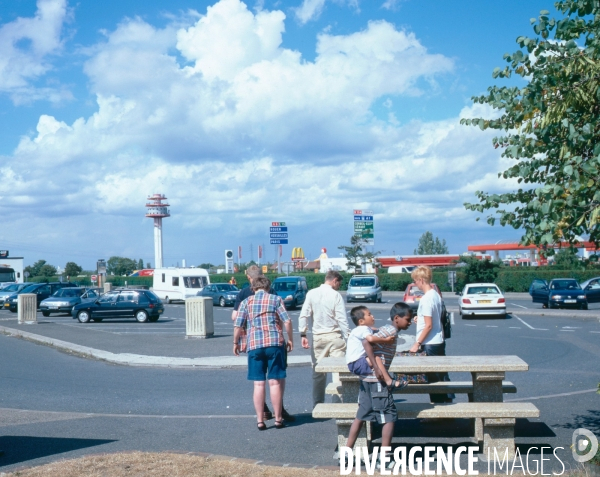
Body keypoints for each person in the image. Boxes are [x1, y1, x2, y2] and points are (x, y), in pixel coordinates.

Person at [343, 303, 414, 469]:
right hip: (376, 380)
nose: (410, 322)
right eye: (407, 319)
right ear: (397, 319)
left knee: (361, 415)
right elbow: (368, 345)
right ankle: (384, 458)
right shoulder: (389, 331)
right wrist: (379, 370)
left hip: (368, 378)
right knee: (389, 416)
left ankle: (346, 453)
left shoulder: (383, 330)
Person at [232, 265, 295, 422]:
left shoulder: (246, 300)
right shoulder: (275, 298)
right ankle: (279, 417)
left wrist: (236, 342)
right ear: (267, 286)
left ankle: (260, 420)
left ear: (251, 284)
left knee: (258, 384)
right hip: (275, 342)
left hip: (254, 344)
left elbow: (237, 323)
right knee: (275, 382)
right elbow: (287, 321)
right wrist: (290, 339)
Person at [299, 270, 351, 407]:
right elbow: (342, 319)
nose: (339, 286)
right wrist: (348, 336)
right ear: (335, 281)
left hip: (318, 337)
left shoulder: (311, 293)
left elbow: (304, 315)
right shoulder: (336, 295)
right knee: (338, 372)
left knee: (318, 373)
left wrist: (303, 333)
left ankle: (318, 403)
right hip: (335, 337)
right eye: (339, 283)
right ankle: (337, 403)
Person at [408, 266, 454, 403]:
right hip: (438, 340)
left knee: (433, 377)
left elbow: (429, 325)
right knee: (441, 374)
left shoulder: (426, 299)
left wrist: (417, 343)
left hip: (430, 342)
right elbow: (433, 319)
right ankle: (446, 403)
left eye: (415, 281)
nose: (415, 284)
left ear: (421, 280)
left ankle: (439, 408)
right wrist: (419, 318)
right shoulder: (435, 295)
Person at [345, 306, 402, 389]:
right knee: (377, 359)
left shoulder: (361, 329)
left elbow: (374, 330)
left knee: (376, 359)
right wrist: (386, 340)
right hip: (356, 363)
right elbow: (370, 339)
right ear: (361, 321)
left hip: (353, 363)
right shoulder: (363, 329)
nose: (372, 316)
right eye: (369, 315)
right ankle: (389, 381)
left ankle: (388, 378)